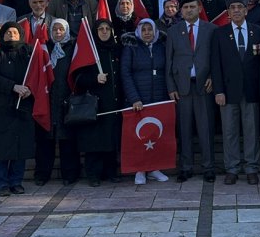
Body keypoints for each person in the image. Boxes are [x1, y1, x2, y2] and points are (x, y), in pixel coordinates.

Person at [211, 0, 260, 185]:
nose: (236, 11)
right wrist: (218, 90)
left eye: (239, 8)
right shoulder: (219, 33)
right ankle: (232, 168)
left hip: (251, 90)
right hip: (227, 91)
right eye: (232, 8)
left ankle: (251, 167)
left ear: (246, 10)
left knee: (251, 130)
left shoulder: (257, 31)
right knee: (230, 131)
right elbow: (215, 65)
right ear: (228, 12)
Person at [165, 0, 218, 183]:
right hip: (182, 87)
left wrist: (213, 77)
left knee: (205, 129)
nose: (189, 10)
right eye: (185, 7)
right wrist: (171, 86)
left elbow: (216, 58)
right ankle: (185, 168)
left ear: (200, 8)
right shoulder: (173, 31)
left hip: (204, 86)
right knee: (184, 130)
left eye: (192, 7)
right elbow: (169, 61)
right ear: (181, 10)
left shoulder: (211, 29)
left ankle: (208, 167)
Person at [0, 21, 34, 196]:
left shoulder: (27, 53)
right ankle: (2, 183)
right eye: (8, 33)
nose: (11, 36)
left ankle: (16, 181)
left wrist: (29, 88)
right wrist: (13, 87)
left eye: (15, 33)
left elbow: (36, 73)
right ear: (2, 35)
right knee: (2, 148)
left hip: (22, 106)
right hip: (1, 108)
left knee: (20, 148)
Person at [121, 19, 170, 185]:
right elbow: (125, 74)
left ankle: (154, 169)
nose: (147, 32)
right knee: (140, 136)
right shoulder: (131, 48)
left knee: (155, 134)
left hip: (159, 98)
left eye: (150, 29)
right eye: (144, 29)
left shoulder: (161, 47)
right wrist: (134, 98)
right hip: (139, 100)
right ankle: (140, 170)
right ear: (139, 31)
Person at [75, 19, 123, 186]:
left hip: (114, 103)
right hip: (95, 104)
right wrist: (94, 78)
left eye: (107, 29)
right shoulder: (89, 52)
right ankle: (93, 175)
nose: (104, 32)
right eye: (100, 29)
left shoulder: (117, 49)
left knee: (111, 140)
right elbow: (77, 78)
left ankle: (111, 172)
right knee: (94, 142)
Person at [34, 19, 80, 186]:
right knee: (45, 141)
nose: (58, 33)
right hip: (47, 99)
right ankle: (42, 174)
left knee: (67, 140)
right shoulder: (45, 48)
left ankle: (70, 174)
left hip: (67, 100)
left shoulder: (73, 48)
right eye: (55, 30)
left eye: (61, 29)